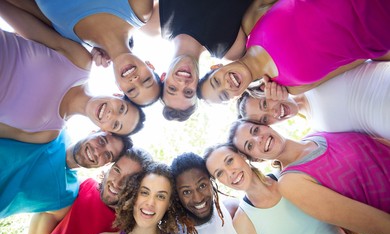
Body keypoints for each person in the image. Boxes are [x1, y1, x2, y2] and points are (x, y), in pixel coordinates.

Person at [228, 119, 390, 234]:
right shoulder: (292, 182)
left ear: (267, 125)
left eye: (255, 130)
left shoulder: (319, 132)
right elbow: (373, 224)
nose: (258, 139)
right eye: (250, 146)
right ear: (256, 159)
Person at [0, 2, 145, 143]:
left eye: (115, 125)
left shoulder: (46, 133)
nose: (111, 115)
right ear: (117, 95)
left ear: (105, 130)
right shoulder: (79, 60)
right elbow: (25, 22)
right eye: (121, 108)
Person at [203, 142, 376, 234]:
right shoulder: (243, 223)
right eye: (219, 173)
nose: (230, 172)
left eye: (230, 161)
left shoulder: (292, 177)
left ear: (242, 155)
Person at [198, 0, 390, 104]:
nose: (227, 85)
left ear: (216, 66)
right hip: (380, 29)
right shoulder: (292, 88)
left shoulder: (251, 22)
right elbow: (352, 61)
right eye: (224, 95)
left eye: (216, 81)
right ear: (236, 97)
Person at [13, 0, 162, 107]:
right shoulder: (139, 9)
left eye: (131, 90)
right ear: (150, 66)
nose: (135, 80)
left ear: (118, 86)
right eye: (146, 80)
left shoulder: (67, 37)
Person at [27, 147, 153, 234]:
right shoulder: (82, 188)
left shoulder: (133, 229)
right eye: (116, 170)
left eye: (130, 180)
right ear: (108, 168)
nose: (117, 183)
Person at [139, 0, 253, 121]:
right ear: (197, 84)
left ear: (163, 77)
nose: (183, 83)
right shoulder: (232, 49)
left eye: (172, 88)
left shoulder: (153, 24)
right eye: (188, 92)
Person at [236, 60, 390, 139]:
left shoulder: (305, 77)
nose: (272, 112)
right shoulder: (316, 128)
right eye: (264, 119)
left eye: (265, 104)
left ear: (266, 88)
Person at [0, 130, 132, 219]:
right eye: (101, 141)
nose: (98, 152)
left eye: (107, 155)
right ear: (94, 131)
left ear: (106, 165)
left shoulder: (67, 194)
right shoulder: (53, 131)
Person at [87, 162, 194, 234]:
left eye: (160, 196)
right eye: (144, 192)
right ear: (133, 196)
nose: (150, 203)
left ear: (168, 204)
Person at [170, 152, 267, 234]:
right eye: (186, 192)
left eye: (202, 185)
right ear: (177, 195)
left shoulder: (233, 211)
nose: (198, 198)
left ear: (211, 181)